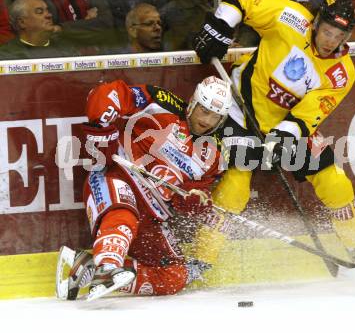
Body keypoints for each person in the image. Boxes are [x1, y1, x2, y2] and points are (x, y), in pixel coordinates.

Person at [191, 0, 355, 273]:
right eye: (327, 32)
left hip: (286, 128)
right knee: (234, 187)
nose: (330, 41)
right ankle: (201, 259)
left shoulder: (342, 73)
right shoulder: (292, 18)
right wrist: (219, 26)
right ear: (316, 23)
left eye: (339, 37)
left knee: (334, 181)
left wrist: (283, 137)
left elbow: (308, 114)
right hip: (238, 113)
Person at [56, 75, 233, 300]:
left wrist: (194, 201)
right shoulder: (160, 102)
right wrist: (101, 133)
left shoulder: (215, 155)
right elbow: (107, 95)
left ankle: (87, 268)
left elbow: (192, 195)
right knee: (123, 216)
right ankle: (107, 267)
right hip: (117, 178)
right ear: (192, 104)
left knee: (174, 275)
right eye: (204, 111)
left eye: (216, 116)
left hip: (152, 216)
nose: (207, 121)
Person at [0, 0, 76, 59]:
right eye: (39, 12)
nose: (49, 15)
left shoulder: (66, 48)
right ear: (22, 22)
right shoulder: (7, 55)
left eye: (47, 10)